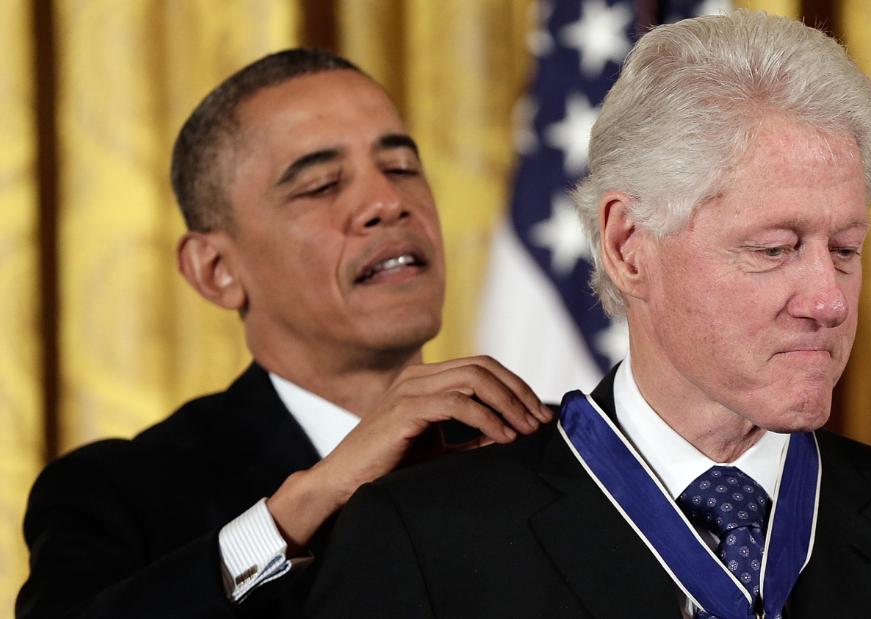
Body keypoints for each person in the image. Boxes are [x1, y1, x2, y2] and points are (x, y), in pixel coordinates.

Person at [306, 12, 871, 619]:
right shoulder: (426, 542)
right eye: (774, 248)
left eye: (845, 249)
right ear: (629, 247)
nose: (828, 300)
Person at [16, 49, 552, 619]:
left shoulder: (552, 450)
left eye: (400, 168)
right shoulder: (122, 494)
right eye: (321, 185)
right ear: (216, 271)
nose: (388, 203)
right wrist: (305, 504)